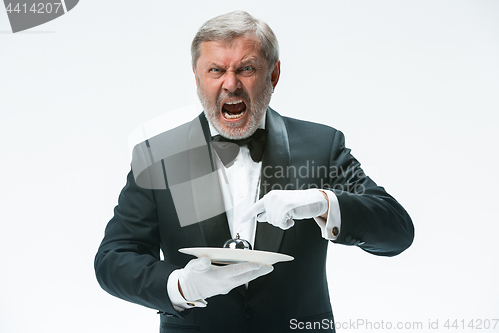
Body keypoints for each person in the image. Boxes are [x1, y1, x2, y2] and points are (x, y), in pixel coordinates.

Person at [94, 10, 414, 333]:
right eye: (215, 70)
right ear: (196, 77)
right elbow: (113, 259)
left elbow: (397, 230)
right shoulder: (159, 156)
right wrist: (180, 287)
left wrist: (325, 202)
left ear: (273, 75)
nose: (230, 84)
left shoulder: (321, 147)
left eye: (246, 69)